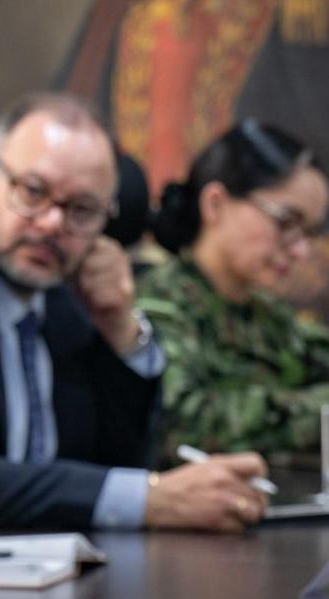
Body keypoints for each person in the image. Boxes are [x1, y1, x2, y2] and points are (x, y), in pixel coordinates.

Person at [0, 93, 271, 532]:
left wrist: (120, 327)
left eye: (82, 210)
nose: (52, 224)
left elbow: (117, 458)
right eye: (33, 192)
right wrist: (150, 499)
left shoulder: (63, 289)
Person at [140, 119, 329, 459]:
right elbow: (182, 424)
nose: (300, 251)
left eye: (310, 232)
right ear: (215, 203)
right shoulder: (161, 301)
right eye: (286, 222)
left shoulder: (268, 314)